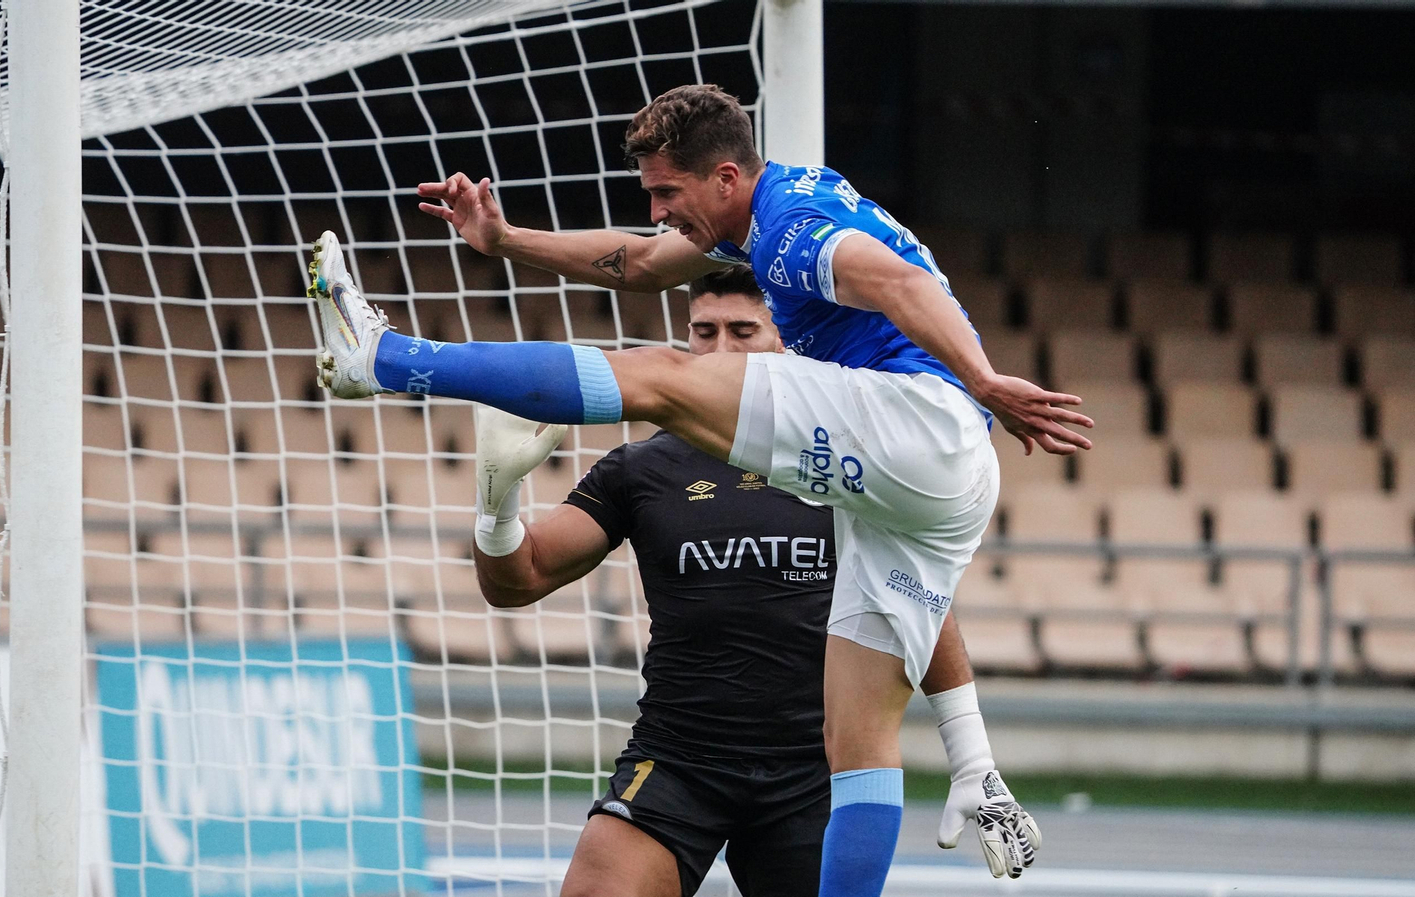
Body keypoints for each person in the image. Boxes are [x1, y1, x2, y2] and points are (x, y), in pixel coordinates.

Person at [309, 83, 1078, 894]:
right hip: (942, 478)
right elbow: (638, 262)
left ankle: (385, 358)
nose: (659, 209)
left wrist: (986, 380)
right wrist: (502, 240)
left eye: (667, 192)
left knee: (663, 378)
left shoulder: (786, 228)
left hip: (923, 422)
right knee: (860, 741)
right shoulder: (758, 220)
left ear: (724, 177)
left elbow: (898, 284)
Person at [465, 266, 1036, 897]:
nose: (720, 350)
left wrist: (972, 755)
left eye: (743, 330)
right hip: (679, 760)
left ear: (786, 338)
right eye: (703, 332)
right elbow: (519, 579)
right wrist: (498, 503)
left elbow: (918, 605)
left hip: (813, 775)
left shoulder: (847, 460)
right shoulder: (640, 468)